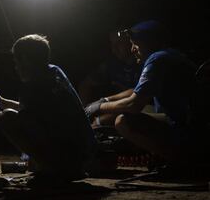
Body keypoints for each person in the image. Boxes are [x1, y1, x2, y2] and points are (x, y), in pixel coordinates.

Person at [0, 34, 97, 183]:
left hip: (68, 155)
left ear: (26, 60)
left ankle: (52, 169)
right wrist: (2, 102)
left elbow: (23, 118)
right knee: (16, 116)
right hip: (84, 154)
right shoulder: (54, 72)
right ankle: (63, 167)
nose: (16, 68)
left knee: (7, 117)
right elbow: (33, 109)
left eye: (17, 62)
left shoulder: (32, 88)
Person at [85, 20, 200, 163]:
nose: (132, 49)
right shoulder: (169, 55)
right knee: (142, 109)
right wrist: (105, 100)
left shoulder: (157, 59)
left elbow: (133, 104)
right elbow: (138, 91)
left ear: (151, 43)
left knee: (123, 121)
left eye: (136, 44)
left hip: (187, 131)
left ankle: (182, 162)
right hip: (191, 126)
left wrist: (98, 108)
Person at [79, 30, 141, 106]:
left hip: (133, 106)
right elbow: (87, 84)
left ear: (129, 41)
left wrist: (104, 102)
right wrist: (83, 109)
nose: (114, 48)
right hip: (114, 106)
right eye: (112, 44)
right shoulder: (111, 63)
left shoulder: (142, 63)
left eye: (119, 43)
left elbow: (137, 92)